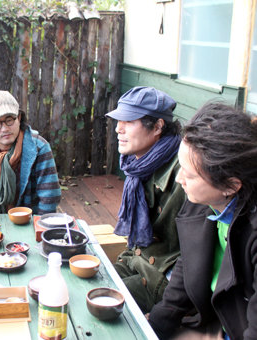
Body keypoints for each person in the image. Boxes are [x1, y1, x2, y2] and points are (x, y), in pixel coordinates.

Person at [148, 103, 257, 340]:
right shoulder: (203, 199)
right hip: (213, 319)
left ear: (231, 185)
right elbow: (188, 261)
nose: (178, 179)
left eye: (189, 174)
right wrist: (155, 326)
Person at [105, 86, 185, 313]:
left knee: (98, 304)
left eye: (129, 121)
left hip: (162, 281)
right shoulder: (138, 165)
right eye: (118, 120)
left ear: (158, 126)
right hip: (136, 261)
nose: (118, 129)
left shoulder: (185, 173)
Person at [0, 90, 61, 217]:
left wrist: (39, 227)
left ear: (19, 118)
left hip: (30, 221)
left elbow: (49, 196)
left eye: (9, 120)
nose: (5, 129)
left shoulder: (39, 148)